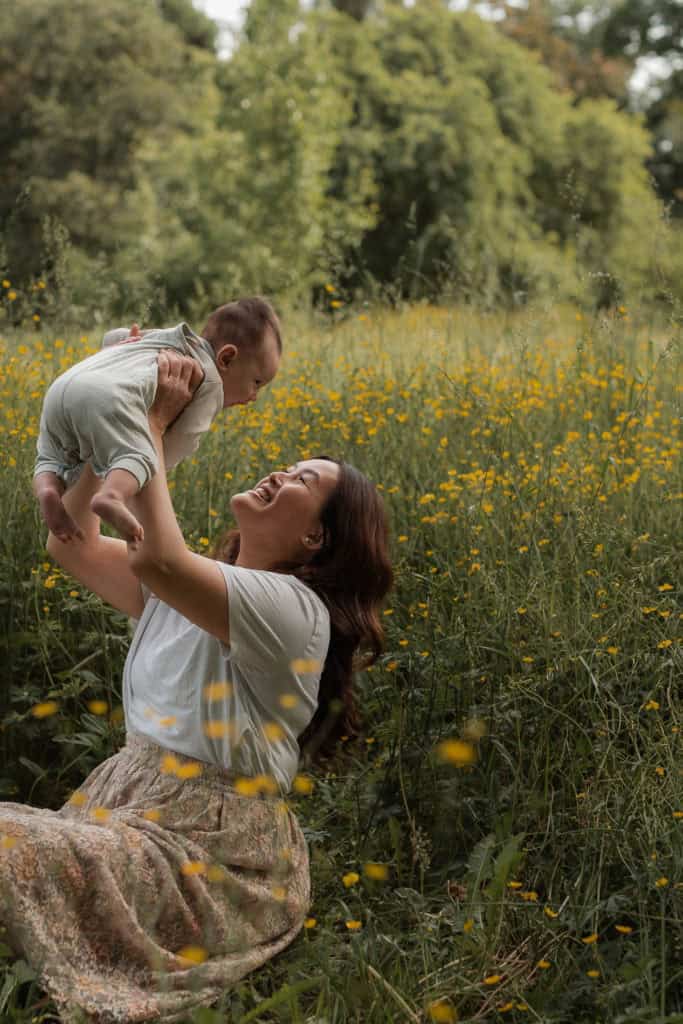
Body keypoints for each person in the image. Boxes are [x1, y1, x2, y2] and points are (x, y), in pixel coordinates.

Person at [0, 348, 393, 1023]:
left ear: (312, 538)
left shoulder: (292, 609)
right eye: (289, 464)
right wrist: (113, 403)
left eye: (303, 479)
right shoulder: (184, 593)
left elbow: (157, 555)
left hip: (207, 859)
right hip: (125, 810)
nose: (280, 471)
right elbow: (69, 542)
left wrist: (152, 421)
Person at [32, 296, 282, 544]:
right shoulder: (210, 381)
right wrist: (156, 463)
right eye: (256, 383)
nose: (253, 397)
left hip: (65, 384)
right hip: (108, 397)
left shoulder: (167, 338)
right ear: (226, 359)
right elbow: (182, 439)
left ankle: (47, 489)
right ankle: (111, 495)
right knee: (141, 456)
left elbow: (114, 337)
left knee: (51, 455)